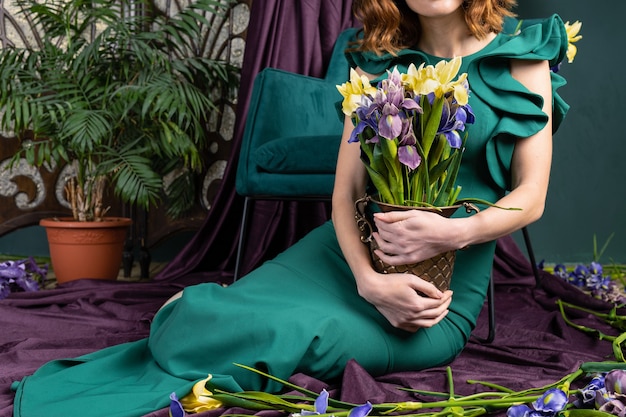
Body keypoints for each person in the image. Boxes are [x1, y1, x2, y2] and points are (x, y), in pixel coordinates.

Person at [11, 0, 570, 415]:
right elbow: (345, 195)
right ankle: (190, 311)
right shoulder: (376, 62)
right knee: (238, 321)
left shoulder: (523, 57)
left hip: (435, 298)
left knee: (296, 339)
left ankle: (198, 312)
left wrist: (449, 236)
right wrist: (367, 281)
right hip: (342, 260)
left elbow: (531, 198)